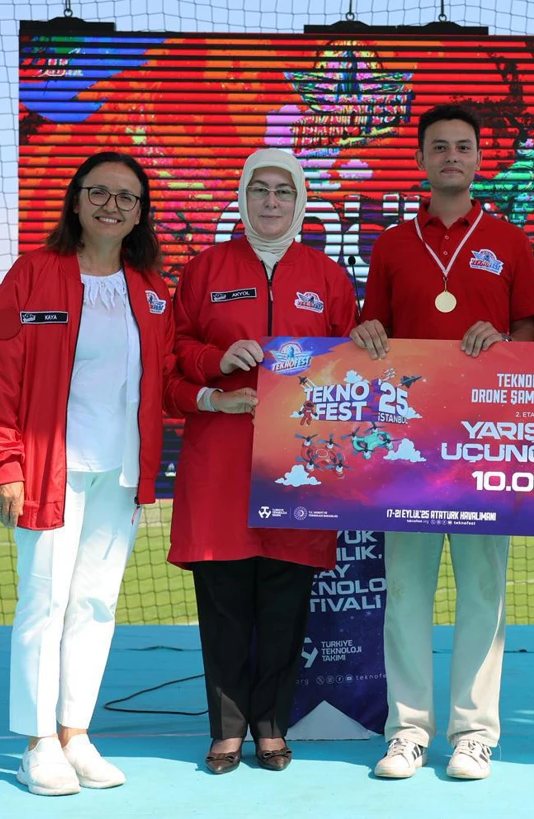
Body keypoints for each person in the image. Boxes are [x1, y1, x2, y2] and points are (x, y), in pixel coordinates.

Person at [0, 151, 180, 796]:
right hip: (46, 472)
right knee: (44, 602)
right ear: (76, 199)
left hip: (121, 474)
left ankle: (74, 735)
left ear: (140, 213)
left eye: (127, 197)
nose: (112, 205)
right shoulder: (33, 274)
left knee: (95, 604)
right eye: (99, 192)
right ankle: (37, 744)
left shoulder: (152, 288)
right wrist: (2, 463)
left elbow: (166, 376)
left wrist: (216, 388)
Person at [351, 103, 534, 781]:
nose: (452, 157)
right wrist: (366, 333)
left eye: (463, 146)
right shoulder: (391, 244)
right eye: (439, 147)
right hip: (406, 444)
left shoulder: (510, 240)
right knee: (405, 591)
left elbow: (531, 335)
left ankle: (474, 733)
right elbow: (370, 331)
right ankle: (407, 731)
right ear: (421, 159)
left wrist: (507, 340)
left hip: (484, 444)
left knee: (483, 591)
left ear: (479, 159)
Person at [166, 148, 358, 774]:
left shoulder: (328, 276)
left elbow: (352, 366)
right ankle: (227, 729)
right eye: (259, 189)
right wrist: (215, 363)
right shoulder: (204, 269)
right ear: (242, 197)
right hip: (220, 459)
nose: (271, 201)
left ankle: (270, 725)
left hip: (300, 464)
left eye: (283, 190)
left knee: (285, 602)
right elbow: (174, 352)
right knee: (223, 600)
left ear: (300, 200)